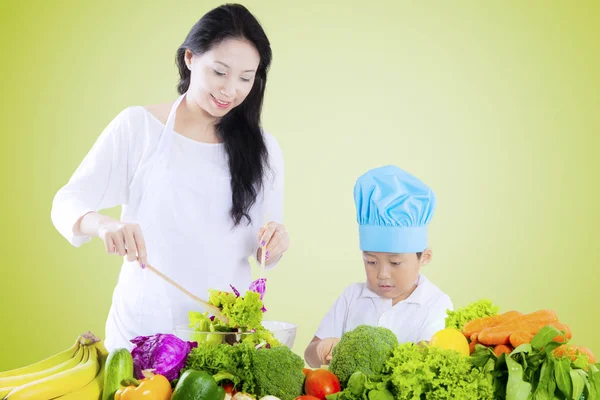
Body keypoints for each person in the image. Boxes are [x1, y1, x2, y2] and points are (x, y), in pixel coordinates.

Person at [51, 4, 289, 351]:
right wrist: (103, 225)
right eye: (219, 72)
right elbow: (66, 202)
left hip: (223, 338)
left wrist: (276, 243)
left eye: (245, 78)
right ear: (190, 58)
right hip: (143, 330)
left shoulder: (264, 149)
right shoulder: (139, 127)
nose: (230, 90)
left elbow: (265, 252)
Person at [304, 165, 452, 367]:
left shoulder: (436, 304)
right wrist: (322, 348)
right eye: (371, 262)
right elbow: (309, 355)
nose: (382, 274)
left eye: (395, 263)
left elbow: (425, 361)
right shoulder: (351, 297)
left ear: (424, 257)